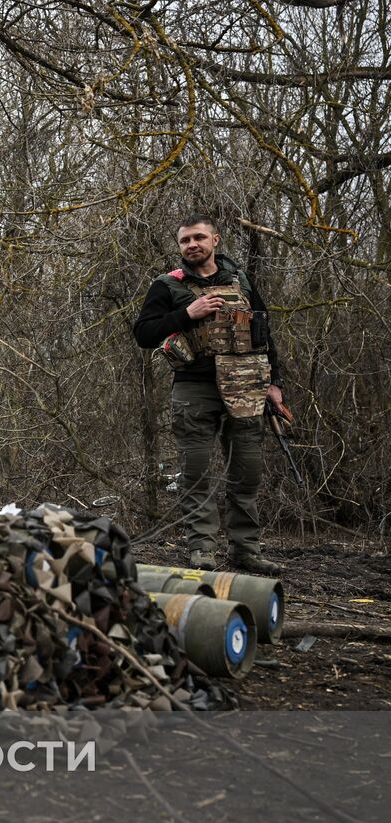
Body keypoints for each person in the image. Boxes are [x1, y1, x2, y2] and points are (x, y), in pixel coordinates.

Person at [132, 215, 283, 574]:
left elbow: (264, 333)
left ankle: (246, 549)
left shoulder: (241, 281)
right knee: (196, 473)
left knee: (247, 471)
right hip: (194, 389)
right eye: (185, 241)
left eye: (199, 238)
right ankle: (202, 548)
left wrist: (275, 383)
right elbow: (143, 334)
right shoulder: (167, 286)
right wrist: (187, 313)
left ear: (215, 240)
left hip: (248, 386)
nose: (192, 245)